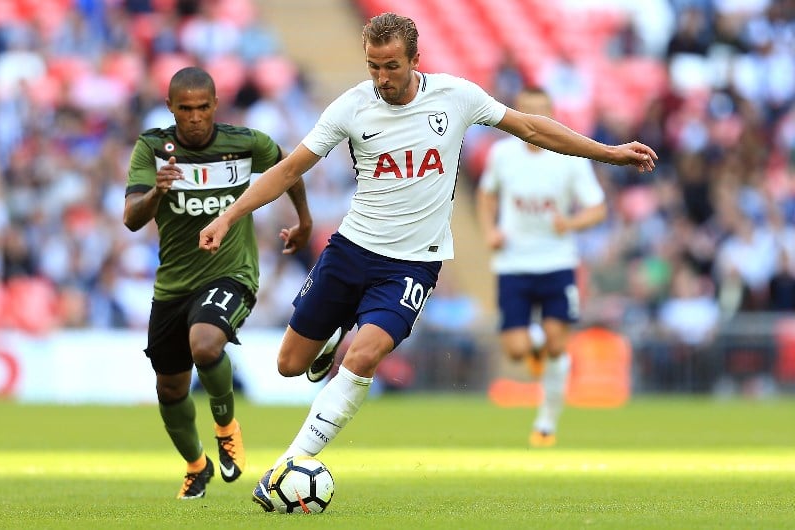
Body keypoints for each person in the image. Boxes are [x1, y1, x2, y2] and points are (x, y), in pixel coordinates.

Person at [197, 12, 656, 510]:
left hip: (412, 264)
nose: (381, 78)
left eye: (391, 66)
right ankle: (332, 332)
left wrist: (609, 153)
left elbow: (530, 127)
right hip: (351, 251)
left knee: (365, 356)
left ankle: (287, 465)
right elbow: (289, 169)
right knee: (289, 365)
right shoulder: (353, 107)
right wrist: (229, 216)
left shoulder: (455, 97)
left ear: (416, 59)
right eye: (373, 66)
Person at [123, 66, 312, 500]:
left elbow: (290, 168)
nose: (194, 117)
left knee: (206, 345)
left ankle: (227, 427)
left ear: (215, 106)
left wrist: (304, 221)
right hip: (172, 285)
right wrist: (156, 192)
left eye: (202, 108)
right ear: (171, 108)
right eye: (185, 109)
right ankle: (196, 465)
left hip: (231, 272)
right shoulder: (153, 147)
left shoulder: (245, 144)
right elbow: (132, 219)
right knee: (169, 388)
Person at [476, 87, 608, 448]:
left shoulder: (570, 157)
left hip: (557, 263)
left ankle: (546, 423)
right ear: (518, 113)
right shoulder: (502, 154)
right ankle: (533, 347)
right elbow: (486, 194)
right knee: (516, 350)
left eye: (541, 112)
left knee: (557, 344)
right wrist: (490, 231)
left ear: (552, 114)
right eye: (527, 111)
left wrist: (570, 224)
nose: (534, 118)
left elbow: (597, 208)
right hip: (513, 263)